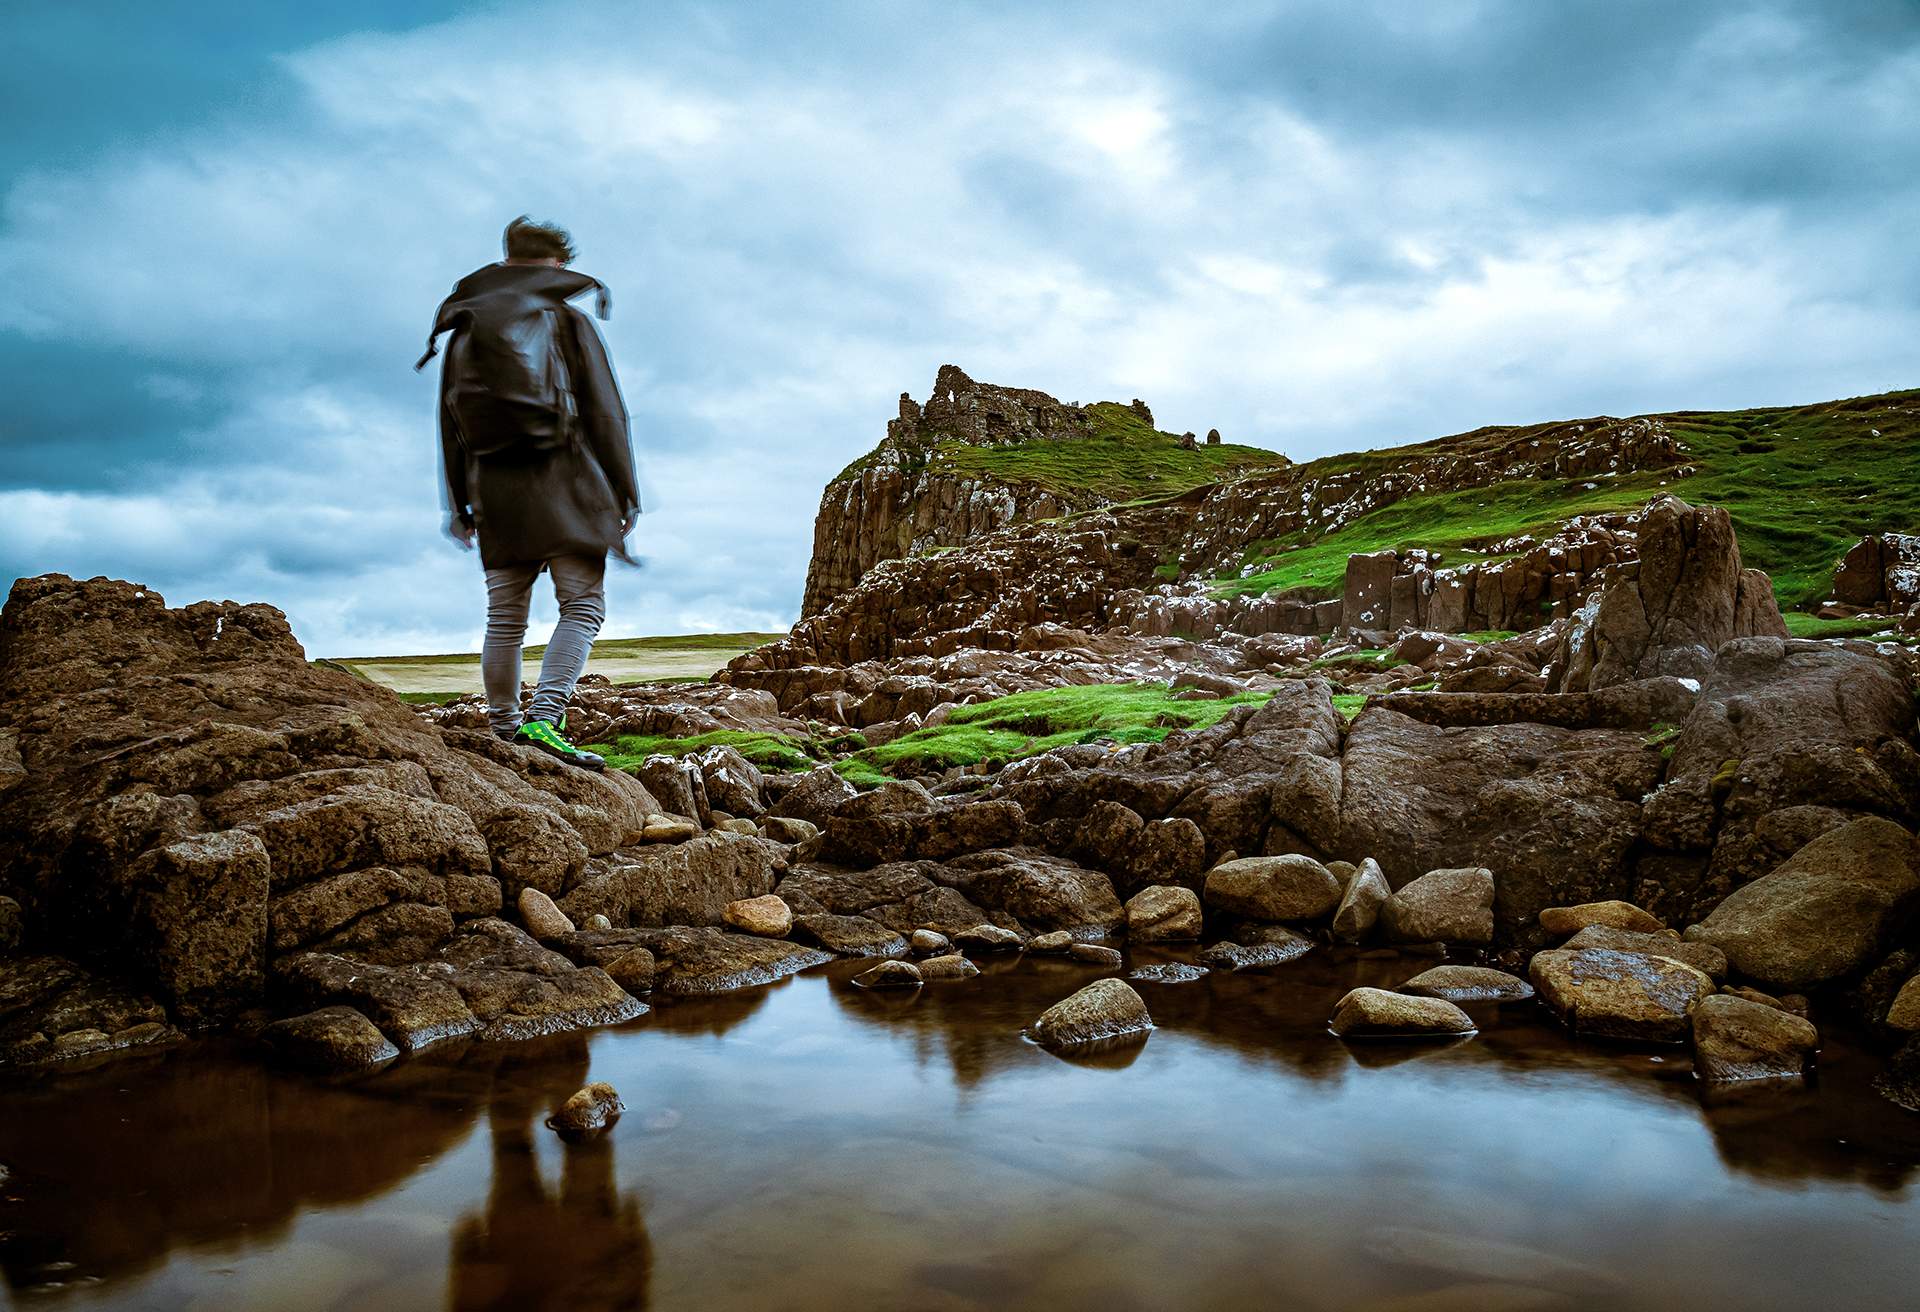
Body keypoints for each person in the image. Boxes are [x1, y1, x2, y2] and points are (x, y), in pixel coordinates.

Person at [416, 216, 639, 770]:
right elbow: (606, 411)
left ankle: (503, 731)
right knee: (583, 605)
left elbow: (449, 424)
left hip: (493, 489)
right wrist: (624, 493)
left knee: (504, 616)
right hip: (567, 481)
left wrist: (458, 505)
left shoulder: (465, 327)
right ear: (558, 264)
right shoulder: (566, 318)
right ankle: (545, 719)